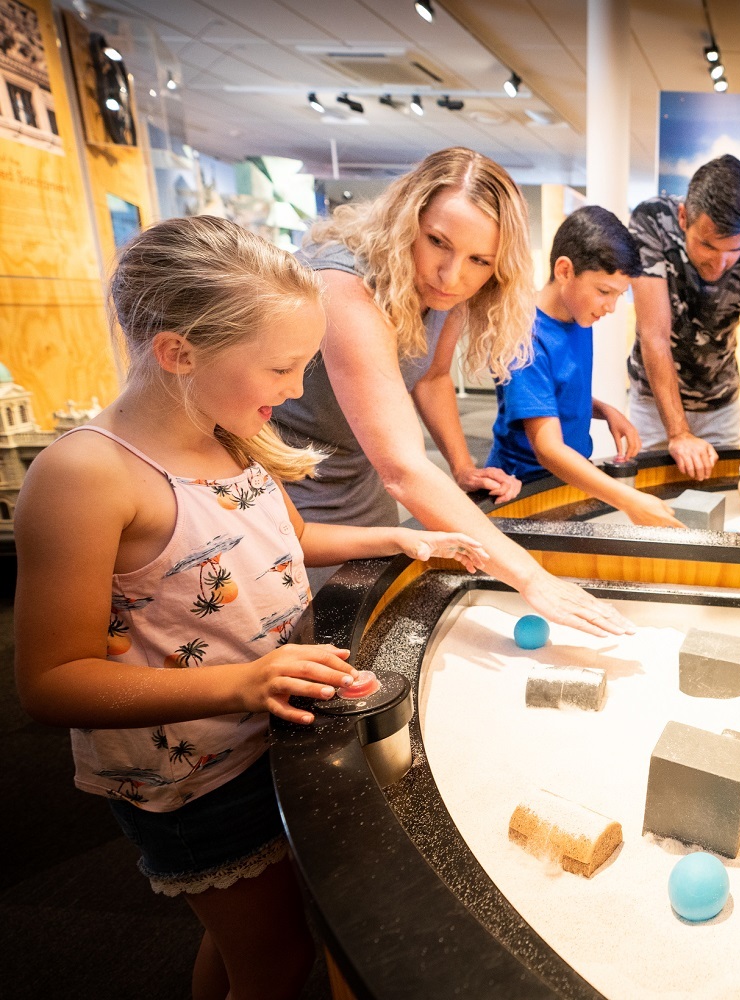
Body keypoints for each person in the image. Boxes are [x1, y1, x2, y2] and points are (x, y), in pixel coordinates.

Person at [13, 216, 486, 1000]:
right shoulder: (86, 477)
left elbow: (284, 537)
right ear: (178, 353)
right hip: (191, 779)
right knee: (273, 958)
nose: (298, 391)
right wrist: (243, 683)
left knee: (248, 942)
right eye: (282, 368)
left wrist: (398, 540)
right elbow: (50, 681)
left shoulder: (229, 432)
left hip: (267, 736)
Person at [273, 147, 631, 635]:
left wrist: (461, 466)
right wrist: (530, 577)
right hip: (287, 486)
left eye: (479, 259)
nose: (451, 275)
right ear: (407, 220)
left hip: (363, 480)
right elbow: (402, 468)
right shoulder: (345, 287)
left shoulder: (452, 293)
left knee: (363, 620)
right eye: (437, 242)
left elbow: (434, 376)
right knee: (299, 633)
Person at [487, 205, 684, 527]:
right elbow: (547, 448)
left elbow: (553, 394)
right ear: (564, 271)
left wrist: (606, 410)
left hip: (567, 480)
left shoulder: (579, 317)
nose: (610, 307)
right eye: (604, 292)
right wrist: (628, 499)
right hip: (521, 490)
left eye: (619, 295)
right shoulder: (524, 337)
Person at [628, 154, 740, 532]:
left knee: (722, 515)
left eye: (735, 250)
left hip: (720, 408)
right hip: (654, 402)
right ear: (683, 218)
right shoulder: (652, 223)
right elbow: (655, 336)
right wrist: (678, 432)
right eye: (709, 246)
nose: (721, 264)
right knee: (651, 518)